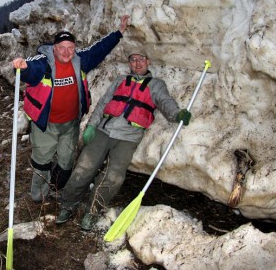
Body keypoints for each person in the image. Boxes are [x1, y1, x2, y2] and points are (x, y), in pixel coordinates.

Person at [56, 51, 192, 230]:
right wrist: (91, 125)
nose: (137, 63)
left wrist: (177, 114)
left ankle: (93, 211)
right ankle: (68, 205)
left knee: (113, 176)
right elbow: (103, 103)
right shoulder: (120, 80)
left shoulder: (157, 85)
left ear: (148, 61)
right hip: (103, 131)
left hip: (128, 138)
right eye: (133, 60)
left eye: (141, 59)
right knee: (83, 168)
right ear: (129, 64)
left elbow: (166, 102)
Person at [12, 15, 130, 202]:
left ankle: (56, 189)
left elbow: (99, 49)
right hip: (46, 124)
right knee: (42, 161)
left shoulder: (80, 61)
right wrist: (22, 66)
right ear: (54, 48)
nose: (66, 52)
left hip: (70, 123)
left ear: (75, 49)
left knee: (66, 161)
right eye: (62, 48)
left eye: (70, 48)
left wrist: (119, 32)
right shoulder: (43, 63)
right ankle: (38, 196)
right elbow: (30, 70)